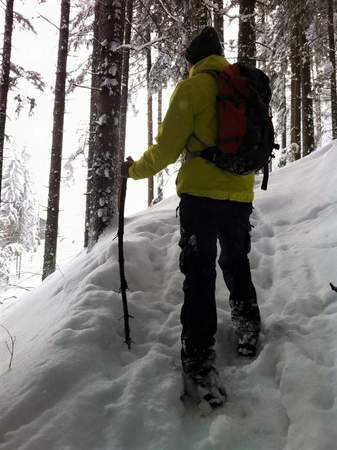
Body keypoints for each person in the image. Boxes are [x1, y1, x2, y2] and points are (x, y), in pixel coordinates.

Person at [121, 27, 261, 406]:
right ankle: (247, 324)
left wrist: (134, 171)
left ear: (192, 60)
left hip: (201, 197)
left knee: (198, 274)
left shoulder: (193, 89)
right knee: (236, 260)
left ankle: (199, 357)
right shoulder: (244, 86)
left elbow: (166, 150)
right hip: (240, 192)